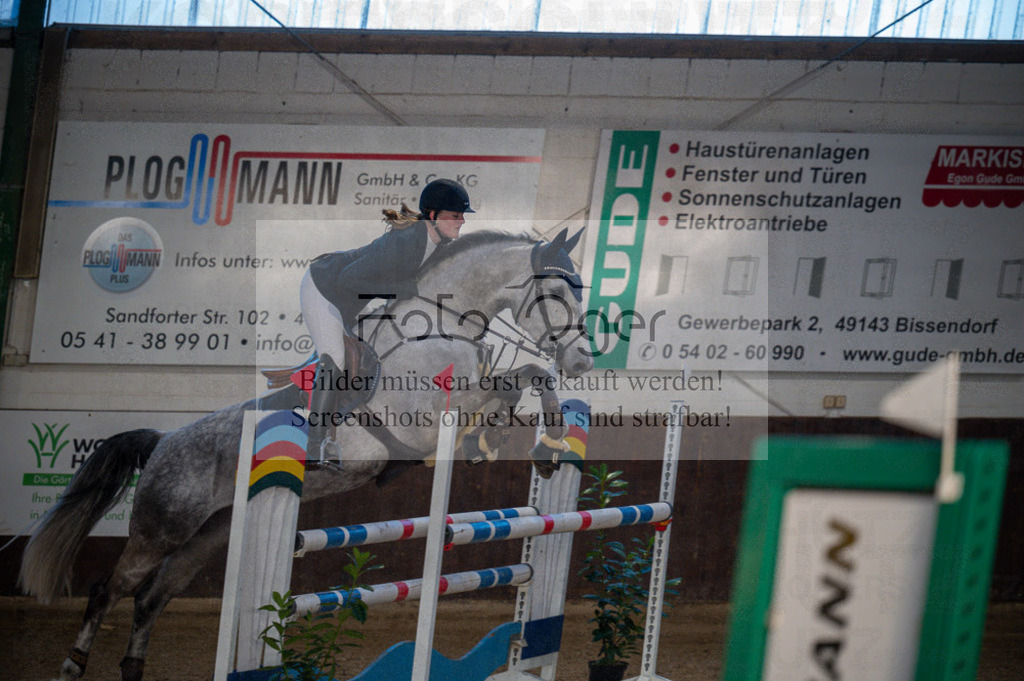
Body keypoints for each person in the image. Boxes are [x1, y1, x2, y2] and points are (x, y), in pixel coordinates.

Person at [298, 178, 474, 459]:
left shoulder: (437, 245)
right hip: (324, 288)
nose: (462, 221)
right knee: (335, 359)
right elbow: (349, 279)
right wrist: (397, 290)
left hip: (350, 299)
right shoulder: (405, 241)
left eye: (462, 215)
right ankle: (315, 445)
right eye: (455, 215)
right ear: (433, 215)